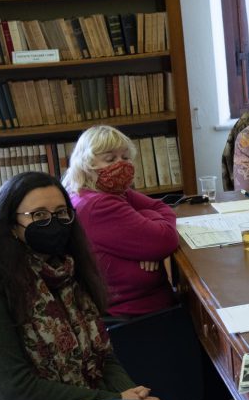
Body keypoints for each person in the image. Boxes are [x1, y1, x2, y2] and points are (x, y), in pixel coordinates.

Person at [0, 172, 162, 400]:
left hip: (78, 395)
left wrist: (133, 394)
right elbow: (16, 389)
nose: (52, 223)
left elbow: (103, 357)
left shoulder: (66, 267)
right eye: (39, 215)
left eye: (60, 213)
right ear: (11, 225)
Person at [63, 125, 178, 318]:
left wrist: (147, 236)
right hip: (136, 316)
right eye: (110, 159)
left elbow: (161, 206)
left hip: (139, 306)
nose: (121, 164)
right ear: (86, 164)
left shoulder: (99, 193)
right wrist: (150, 238)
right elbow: (165, 239)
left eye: (125, 157)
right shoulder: (100, 205)